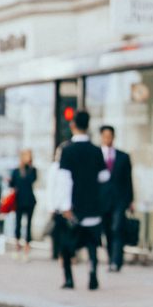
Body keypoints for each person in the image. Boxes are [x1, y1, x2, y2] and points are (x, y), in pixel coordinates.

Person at [58, 110, 109, 290]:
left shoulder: (67, 150)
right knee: (92, 244)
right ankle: (93, 274)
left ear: (73, 125)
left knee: (66, 245)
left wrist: (65, 206)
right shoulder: (96, 151)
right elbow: (104, 177)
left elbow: (64, 180)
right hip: (93, 206)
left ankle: (69, 279)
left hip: (74, 207)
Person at [99, 125, 134, 272]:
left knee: (117, 228)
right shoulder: (96, 155)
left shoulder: (123, 157)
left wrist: (131, 200)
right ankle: (110, 258)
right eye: (105, 136)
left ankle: (116, 261)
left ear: (113, 137)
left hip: (119, 200)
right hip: (102, 200)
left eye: (110, 136)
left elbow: (128, 180)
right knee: (107, 230)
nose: (107, 139)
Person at [8, 149, 37, 261]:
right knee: (18, 223)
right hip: (19, 200)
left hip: (29, 200)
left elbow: (32, 180)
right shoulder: (16, 171)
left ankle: (27, 246)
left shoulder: (32, 170)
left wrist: (28, 167)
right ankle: (17, 245)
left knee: (29, 224)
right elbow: (12, 183)